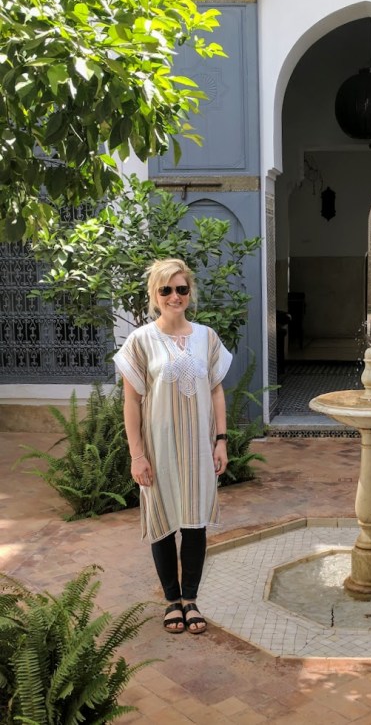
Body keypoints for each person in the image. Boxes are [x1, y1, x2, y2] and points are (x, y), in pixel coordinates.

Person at [113, 258, 232, 634]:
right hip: (158, 448)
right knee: (162, 523)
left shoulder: (207, 338)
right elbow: (131, 402)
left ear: (189, 292)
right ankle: (172, 601)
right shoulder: (140, 341)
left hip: (198, 448)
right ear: (154, 294)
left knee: (195, 523)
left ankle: (191, 599)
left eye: (181, 289)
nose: (174, 296)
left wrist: (221, 441)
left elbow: (216, 391)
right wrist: (137, 455)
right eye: (166, 290)